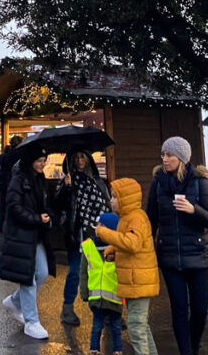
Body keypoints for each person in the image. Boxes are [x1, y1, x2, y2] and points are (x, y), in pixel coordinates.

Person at [146, 136, 208, 355]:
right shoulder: (158, 182)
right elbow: (151, 220)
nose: (164, 159)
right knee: (178, 310)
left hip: (198, 254)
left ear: (182, 158)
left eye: (169, 155)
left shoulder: (199, 182)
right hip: (169, 255)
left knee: (200, 310)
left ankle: (193, 346)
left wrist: (193, 209)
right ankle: (185, 352)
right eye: (163, 155)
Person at [0, 143, 56, 339]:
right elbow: (13, 208)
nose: (42, 164)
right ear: (31, 161)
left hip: (36, 234)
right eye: (39, 161)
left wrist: (46, 216)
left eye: (44, 161)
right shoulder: (19, 180)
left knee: (43, 273)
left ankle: (15, 301)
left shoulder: (40, 179)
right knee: (28, 277)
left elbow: (44, 204)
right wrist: (36, 219)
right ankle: (32, 321)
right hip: (21, 236)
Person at [97, 178, 159, 355]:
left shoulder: (136, 218)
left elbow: (132, 243)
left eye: (115, 197)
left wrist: (104, 233)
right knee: (141, 326)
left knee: (136, 328)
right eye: (112, 196)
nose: (111, 200)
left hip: (139, 281)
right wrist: (114, 249)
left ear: (126, 199)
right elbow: (130, 244)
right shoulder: (126, 218)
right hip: (132, 281)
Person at [55, 145, 111, 325]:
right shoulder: (66, 180)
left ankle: (108, 311)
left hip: (98, 232)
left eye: (83, 157)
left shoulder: (97, 179)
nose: (80, 160)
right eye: (76, 157)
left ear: (88, 159)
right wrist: (67, 187)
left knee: (103, 272)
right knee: (75, 272)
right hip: (77, 233)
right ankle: (67, 309)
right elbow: (58, 204)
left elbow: (106, 203)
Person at [81, 212, 123, 355]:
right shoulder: (88, 247)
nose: (97, 228)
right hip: (96, 298)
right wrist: (84, 292)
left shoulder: (119, 249)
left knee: (116, 326)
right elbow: (83, 273)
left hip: (115, 298)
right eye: (97, 225)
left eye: (101, 225)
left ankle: (118, 350)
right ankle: (94, 349)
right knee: (97, 325)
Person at [0, 135, 24, 239]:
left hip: (4, 189)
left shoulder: (4, 157)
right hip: (14, 188)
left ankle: (4, 233)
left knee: (5, 211)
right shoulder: (19, 157)